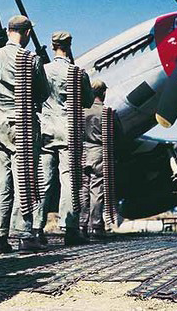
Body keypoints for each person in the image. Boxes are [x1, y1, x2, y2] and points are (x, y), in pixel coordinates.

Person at [0, 16, 50, 254]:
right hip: (22, 121)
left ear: (7, 30)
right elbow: (43, 93)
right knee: (24, 179)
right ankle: (24, 235)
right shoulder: (31, 58)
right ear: (26, 34)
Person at [33, 31, 95, 246]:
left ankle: (36, 228)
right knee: (69, 180)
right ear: (69, 45)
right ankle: (70, 229)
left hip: (47, 128)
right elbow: (88, 101)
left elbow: (35, 97)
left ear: (52, 47)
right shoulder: (77, 72)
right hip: (69, 129)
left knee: (44, 179)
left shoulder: (43, 70)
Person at [79, 80, 108, 239]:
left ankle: (82, 226)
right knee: (97, 189)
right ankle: (96, 226)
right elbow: (118, 133)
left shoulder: (82, 111)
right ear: (103, 93)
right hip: (98, 151)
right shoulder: (107, 112)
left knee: (83, 188)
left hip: (82, 152)